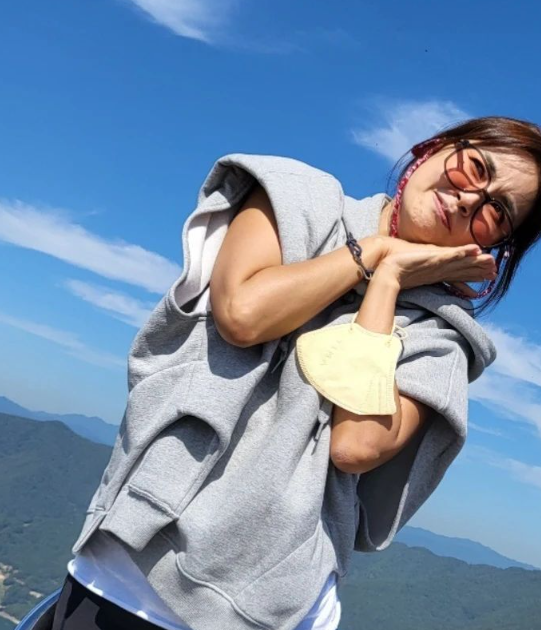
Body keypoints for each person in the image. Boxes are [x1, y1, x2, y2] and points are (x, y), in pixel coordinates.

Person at [51, 116, 541, 630]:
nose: (469, 200)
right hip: (129, 569)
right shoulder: (300, 198)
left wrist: (389, 281)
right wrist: (373, 253)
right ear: (435, 147)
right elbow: (244, 315)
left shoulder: (442, 335)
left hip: (272, 606)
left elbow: (356, 445)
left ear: (498, 243)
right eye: (475, 167)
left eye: (496, 211)